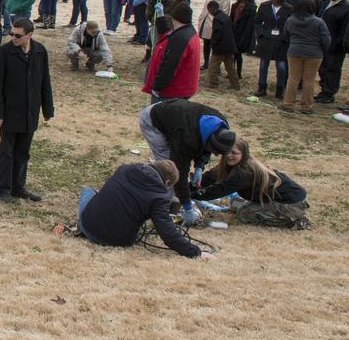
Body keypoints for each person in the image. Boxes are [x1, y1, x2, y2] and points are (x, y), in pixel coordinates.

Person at [77, 161, 206, 259]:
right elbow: (167, 232)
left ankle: (82, 223)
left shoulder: (125, 169)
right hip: (119, 240)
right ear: (167, 182)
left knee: (89, 191)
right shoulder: (159, 197)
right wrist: (196, 253)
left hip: (88, 227)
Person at [137, 98, 234, 222]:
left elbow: (205, 146)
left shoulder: (221, 126)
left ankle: (173, 198)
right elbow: (179, 171)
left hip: (175, 116)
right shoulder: (187, 138)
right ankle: (163, 205)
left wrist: (200, 166)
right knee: (168, 169)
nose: (214, 154)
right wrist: (187, 206)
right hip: (153, 120)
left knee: (174, 170)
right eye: (215, 150)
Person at [0, 18, 53, 203]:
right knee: (7, 152)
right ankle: (3, 188)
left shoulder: (40, 51)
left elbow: (44, 81)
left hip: (30, 111)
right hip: (10, 111)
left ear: (30, 35)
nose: (14, 38)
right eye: (12, 34)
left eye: (18, 35)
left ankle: (18, 187)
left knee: (23, 152)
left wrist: (47, 109)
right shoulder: (3, 53)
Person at [194, 137, 310, 228]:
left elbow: (218, 190)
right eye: (227, 152)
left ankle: (293, 221)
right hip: (284, 197)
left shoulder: (244, 172)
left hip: (292, 202)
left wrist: (189, 195)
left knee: (244, 214)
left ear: (243, 154)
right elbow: (211, 177)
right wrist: (190, 186)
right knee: (236, 204)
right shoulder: (231, 164)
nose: (229, 155)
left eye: (234, 153)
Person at [281, 0, 331, 113]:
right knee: (309, 80)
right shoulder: (319, 22)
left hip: (295, 51)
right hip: (314, 53)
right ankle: (307, 107)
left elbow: (286, 35)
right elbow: (326, 39)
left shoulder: (290, 20)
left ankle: (288, 104)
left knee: (293, 78)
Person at [142, 3, 199, 101]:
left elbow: (170, 66)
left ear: (174, 18)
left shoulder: (180, 39)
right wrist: (160, 16)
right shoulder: (185, 31)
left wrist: (157, 87)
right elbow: (166, 33)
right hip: (176, 91)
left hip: (171, 93)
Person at [255, 0, 291, 98]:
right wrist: (261, 34)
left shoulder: (289, 9)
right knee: (263, 65)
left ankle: (280, 89)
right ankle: (262, 87)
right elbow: (257, 22)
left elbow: (291, 25)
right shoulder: (264, 6)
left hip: (281, 42)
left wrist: (285, 37)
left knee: (281, 66)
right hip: (266, 40)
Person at [315, 0, 348, 104]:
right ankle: (323, 90)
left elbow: (345, 29)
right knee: (322, 68)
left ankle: (329, 93)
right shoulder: (326, 3)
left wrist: (338, 44)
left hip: (335, 46)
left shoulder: (346, 8)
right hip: (322, 43)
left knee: (332, 69)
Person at [197, 0, 232, 71]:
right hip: (205, 23)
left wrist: (216, 22)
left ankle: (216, 66)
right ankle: (206, 63)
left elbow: (225, 13)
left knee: (215, 46)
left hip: (215, 25)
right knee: (206, 44)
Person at [205, 0, 240, 90]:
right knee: (230, 67)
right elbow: (233, 29)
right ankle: (235, 85)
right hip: (230, 46)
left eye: (209, 10)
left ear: (212, 9)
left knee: (213, 66)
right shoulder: (226, 16)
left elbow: (217, 33)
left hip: (220, 47)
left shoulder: (217, 19)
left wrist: (214, 44)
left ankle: (213, 84)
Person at [231, 0, 257, 84]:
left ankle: (238, 73)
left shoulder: (251, 8)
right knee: (232, 54)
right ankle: (232, 72)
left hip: (243, 34)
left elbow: (250, 25)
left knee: (238, 55)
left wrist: (244, 38)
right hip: (234, 33)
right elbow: (231, 19)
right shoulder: (235, 6)